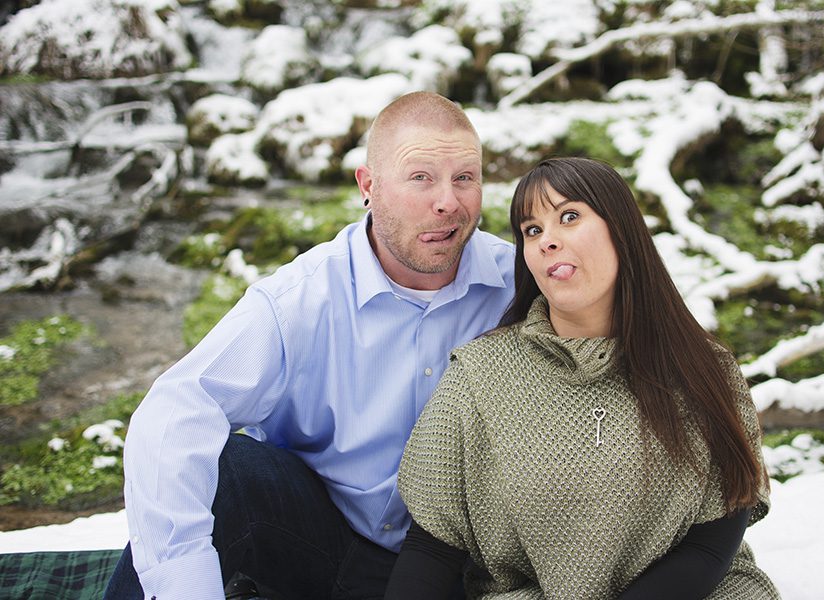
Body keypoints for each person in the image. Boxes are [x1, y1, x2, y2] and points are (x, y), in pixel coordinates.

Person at [103, 91, 515, 600]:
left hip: (462, 563)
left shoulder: (519, 283)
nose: (447, 201)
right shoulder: (299, 299)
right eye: (421, 177)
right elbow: (175, 412)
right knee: (228, 468)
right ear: (368, 186)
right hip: (328, 540)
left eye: (465, 177)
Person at [385, 157, 780, 599]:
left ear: (622, 230)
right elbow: (432, 549)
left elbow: (713, 542)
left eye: (568, 217)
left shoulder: (704, 369)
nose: (546, 241)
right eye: (531, 230)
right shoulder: (480, 378)